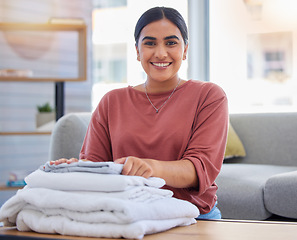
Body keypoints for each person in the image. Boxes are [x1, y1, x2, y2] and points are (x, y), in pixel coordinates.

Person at [51, 6, 229, 219]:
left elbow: (199, 171)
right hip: (127, 212)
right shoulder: (111, 101)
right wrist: (77, 168)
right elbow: (97, 166)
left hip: (191, 215)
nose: (160, 53)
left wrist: (149, 167)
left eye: (171, 43)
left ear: (185, 50)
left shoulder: (209, 96)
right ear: (137, 51)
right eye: (150, 43)